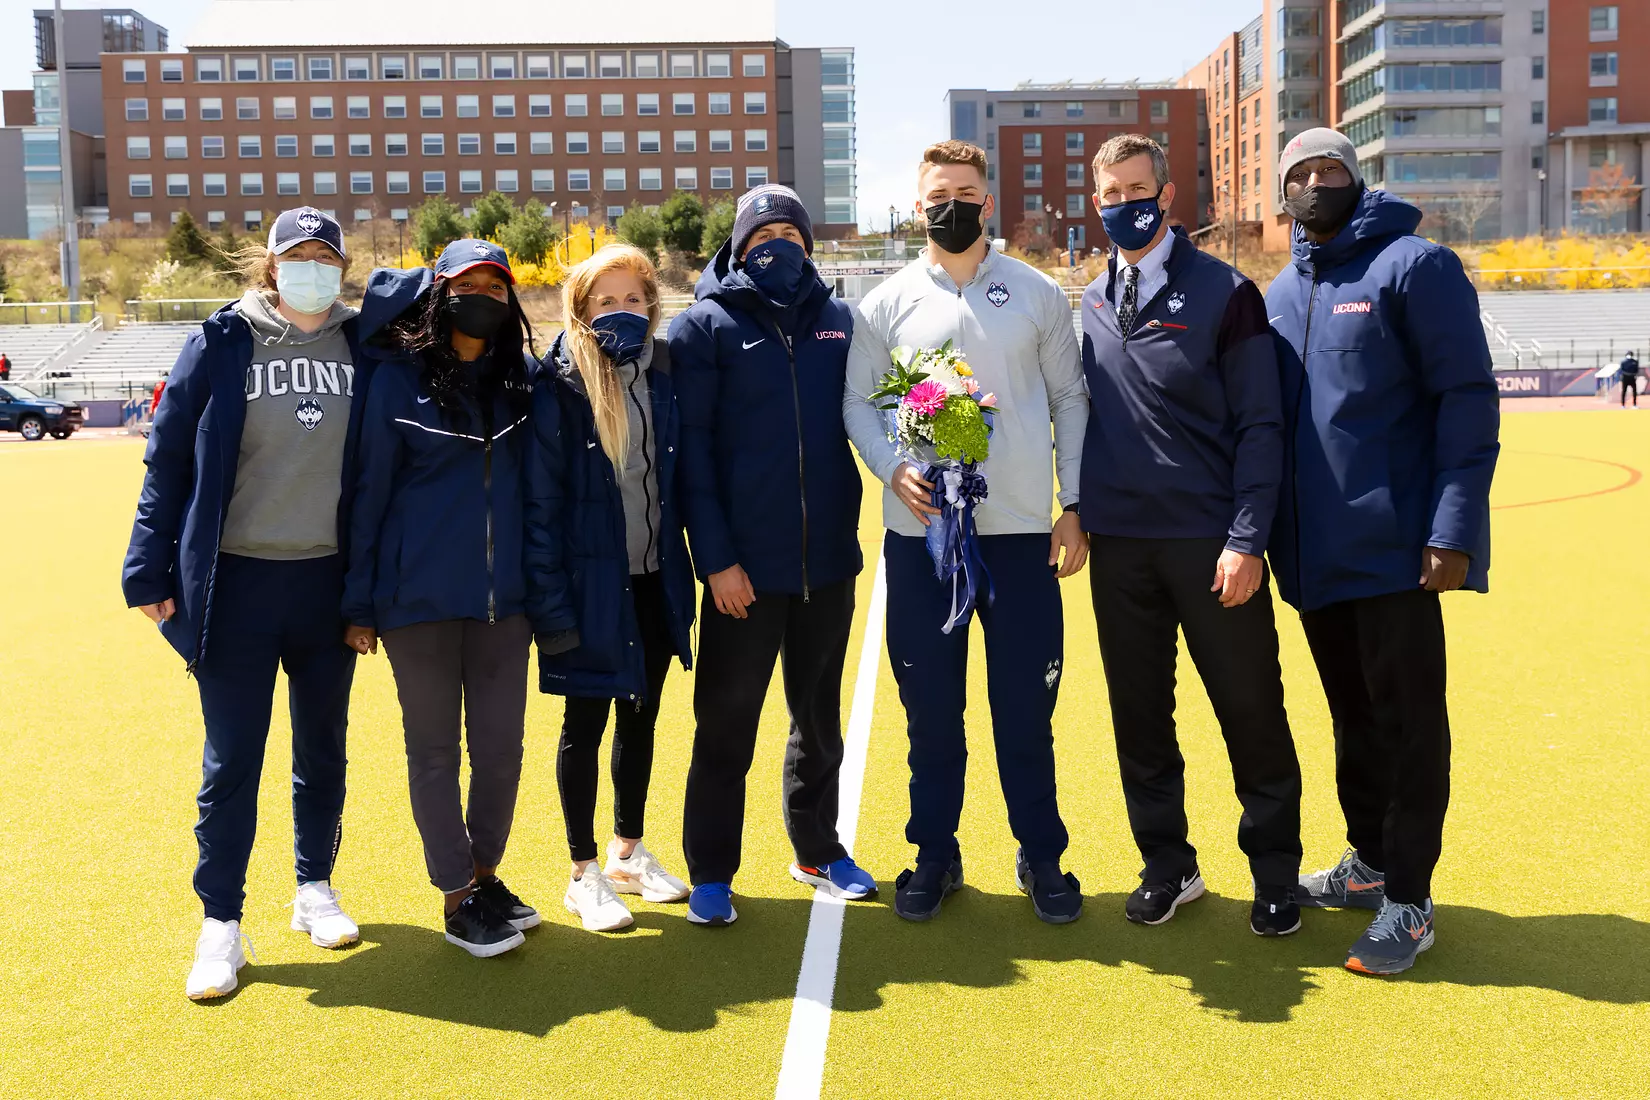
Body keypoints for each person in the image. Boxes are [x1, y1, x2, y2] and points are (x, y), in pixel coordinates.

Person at [1265, 128, 1500, 976]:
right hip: (1313, 558)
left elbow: (1466, 401)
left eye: (1331, 171)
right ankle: (1367, 861)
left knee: (1407, 725)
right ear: (1282, 191)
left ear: (1356, 182)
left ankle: (1411, 898)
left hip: (1397, 552)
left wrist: (1452, 529)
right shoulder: (1282, 291)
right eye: (1301, 174)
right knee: (1351, 717)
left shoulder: (1415, 265)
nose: (1316, 184)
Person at [120, 206, 368, 1000]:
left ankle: (313, 888)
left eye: (324, 256)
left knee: (321, 748)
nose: (310, 269)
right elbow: (167, 458)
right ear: (269, 266)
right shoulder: (223, 340)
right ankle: (221, 922)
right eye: (295, 256)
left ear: (341, 265)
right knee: (232, 761)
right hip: (236, 584)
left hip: (327, 582)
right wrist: (146, 570)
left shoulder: (363, 343)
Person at [845, 140, 1090, 925]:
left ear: (988, 202)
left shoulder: (1038, 294)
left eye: (965, 193)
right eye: (936, 194)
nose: (950, 204)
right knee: (931, 714)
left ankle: (1041, 854)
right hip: (922, 544)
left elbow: (1071, 401)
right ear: (918, 208)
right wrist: (891, 468)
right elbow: (859, 404)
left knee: (1024, 710)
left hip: (1019, 538)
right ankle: (934, 854)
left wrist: (1073, 502)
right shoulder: (883, 303)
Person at [1078, 134, 1303, 936]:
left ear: (1168, 195)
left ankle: (1276, 873)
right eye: (1109, 194)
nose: (1123, 204)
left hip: (1213, 546)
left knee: (1250, 709)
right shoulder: (1095, 296)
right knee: (1140, 718)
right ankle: (1168, 866)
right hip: (1121, 549)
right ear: (1096, 201)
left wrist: (1247, 537)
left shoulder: (1228, 292)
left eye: (1137, 188)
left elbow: (1262, 424)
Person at [671, 184, 877, 927]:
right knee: (726, 723)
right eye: (762, 235)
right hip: (743, 576)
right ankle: (711, 872)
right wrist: (717, 561)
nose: (777, 245)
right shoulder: (705, 327)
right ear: (738, 245)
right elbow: (690, 455)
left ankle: (816, 848)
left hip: (827, 565)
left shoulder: (839, 323)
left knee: (818, 719)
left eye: (791, 232)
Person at [343, 239, 541, 958]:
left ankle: (485, 876)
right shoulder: (396, 382)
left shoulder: (520, 379)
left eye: (496, 284)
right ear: (439, 293)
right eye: (469, 283)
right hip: (416, 603)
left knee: (501, 752)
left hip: (503, 603)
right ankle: (456, 895)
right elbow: (368, 494)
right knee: (434, 754)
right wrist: (361, 604)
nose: (483, 295)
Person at [524, 244, 695, 933]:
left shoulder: (666, 374)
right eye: (606, 301)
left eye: (633, 300)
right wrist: (551, 606)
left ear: (651, 307)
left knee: (643, 716)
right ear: (580, 310)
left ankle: (626, 852)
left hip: (655, 580)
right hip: (589, 588)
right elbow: (539, 508)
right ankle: (581, 872)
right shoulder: (557, 386)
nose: (621, 312)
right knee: (585, 724)